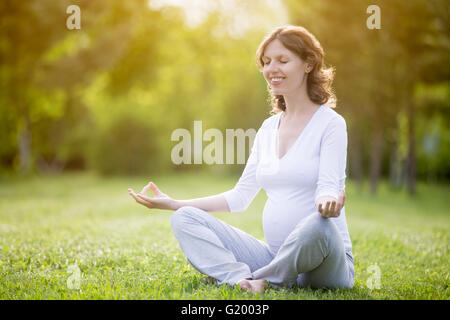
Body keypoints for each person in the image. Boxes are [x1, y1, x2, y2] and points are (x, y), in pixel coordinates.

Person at [128, 25, 354, 294]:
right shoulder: (268, 129)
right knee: (184, 218)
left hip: (324, 264)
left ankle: (266, 279)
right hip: (274, 255)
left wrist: (327, 203)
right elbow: (240, 197)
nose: (272, 69)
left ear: (308, 64)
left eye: (283, 60)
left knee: (319, 225)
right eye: (266, 62)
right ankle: (241, 279)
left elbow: (329, 185)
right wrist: (173, 203)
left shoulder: (330, 124)